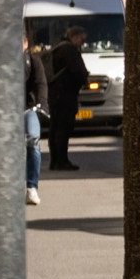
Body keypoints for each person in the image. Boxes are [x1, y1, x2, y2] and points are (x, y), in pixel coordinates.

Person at [45, 22, 90, 172]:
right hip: (65, 94)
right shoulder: (69, 49)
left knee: (55, 127)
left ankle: (55, 161)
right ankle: (62, 161)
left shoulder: (58, 47)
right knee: (63, 128)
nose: (82, 44)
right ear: (74, 37)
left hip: (55, 94)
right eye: (82, 40)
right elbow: (78, 70)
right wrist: (85, 80)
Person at [26, 37, 50, 206]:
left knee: (33, 141)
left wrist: (42, 104)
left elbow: (41, 83)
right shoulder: (3, 60)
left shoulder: (32, 61)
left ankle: (32, 187)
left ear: (25, 44)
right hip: (5, 111)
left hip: (28, 108)